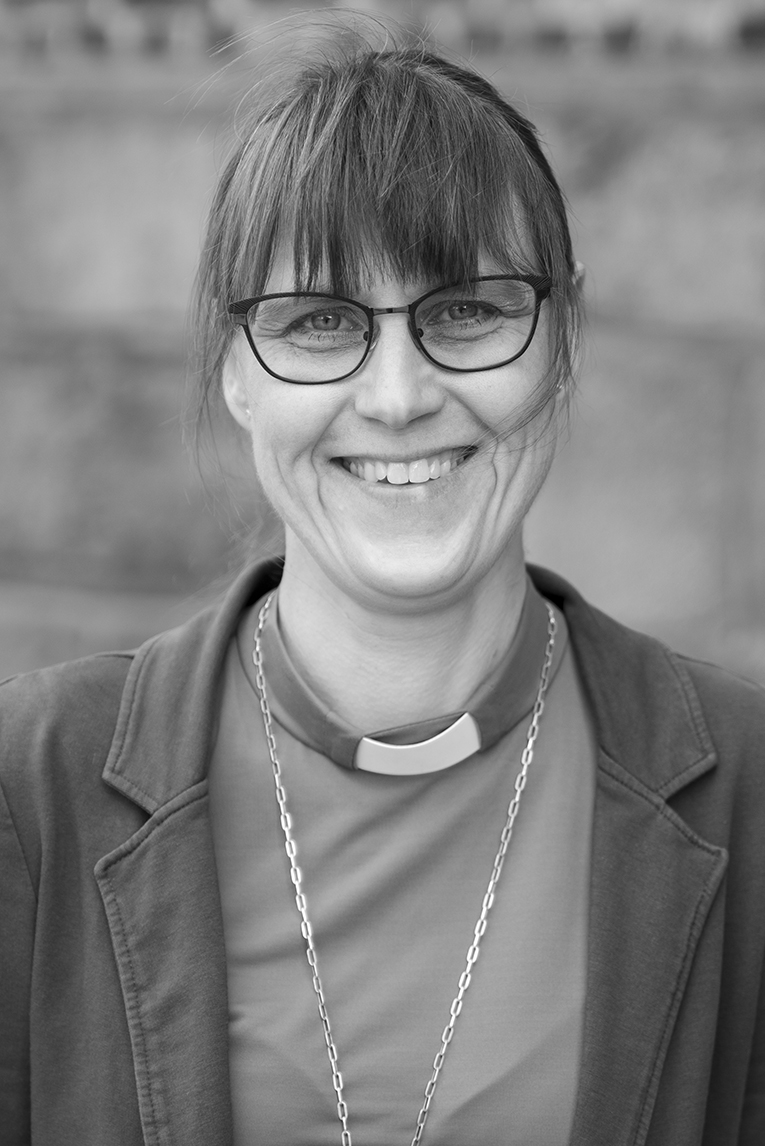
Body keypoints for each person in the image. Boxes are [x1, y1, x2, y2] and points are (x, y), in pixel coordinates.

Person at [1, 23, 764, 1146]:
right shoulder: (31, 786)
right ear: (234, 369)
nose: (398, 397)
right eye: (320, 323)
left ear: (563, 334)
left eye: (468, 310)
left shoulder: (747, 788)